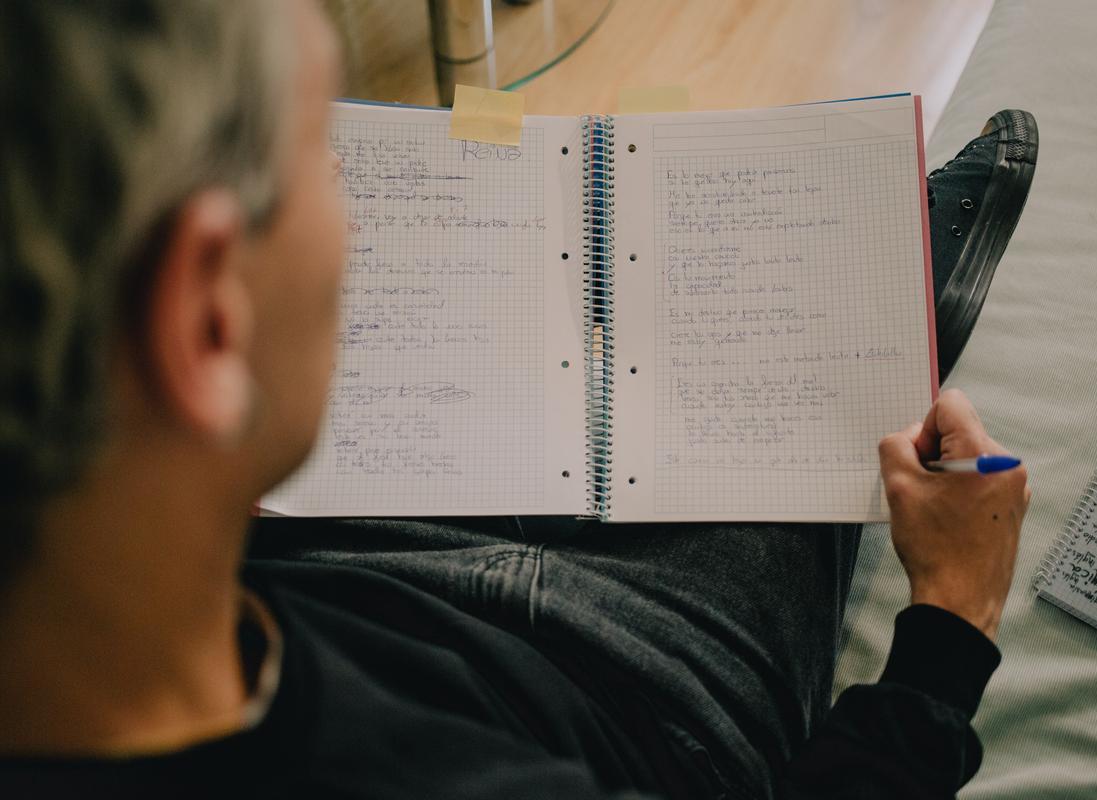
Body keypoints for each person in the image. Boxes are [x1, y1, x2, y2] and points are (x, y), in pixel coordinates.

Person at [0, 1, 1035, 797]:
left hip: (315, 564)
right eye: (319, 154)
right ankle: (890, 290)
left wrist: (203, 486)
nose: (354, 222)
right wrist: (951, 625)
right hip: (639, 680)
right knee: (811, 380)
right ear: (204, 316)